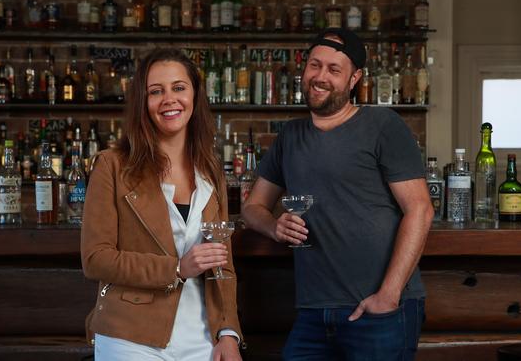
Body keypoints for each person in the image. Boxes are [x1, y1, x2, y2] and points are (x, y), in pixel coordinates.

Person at [241, 28, 434, 361]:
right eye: (314, 65)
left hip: (377, 311)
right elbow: (253, 207)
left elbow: (420, 210)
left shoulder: (383, 125)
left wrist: (388, 296)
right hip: (313, 314)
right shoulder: (291, 135)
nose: (320, 77)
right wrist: (274, 227)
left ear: (354, 78)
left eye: (334, 69)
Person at [81, 48, 242, 361]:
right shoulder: (112, 166)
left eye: (179, 88)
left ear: (195, 95)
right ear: (143, 102)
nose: (169, 99)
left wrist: (228, 333)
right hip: (130, 335)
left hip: (202, 338)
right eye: (156, 91)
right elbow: (96, 259)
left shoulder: (210, 172)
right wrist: (178, 268)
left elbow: (224, 265)